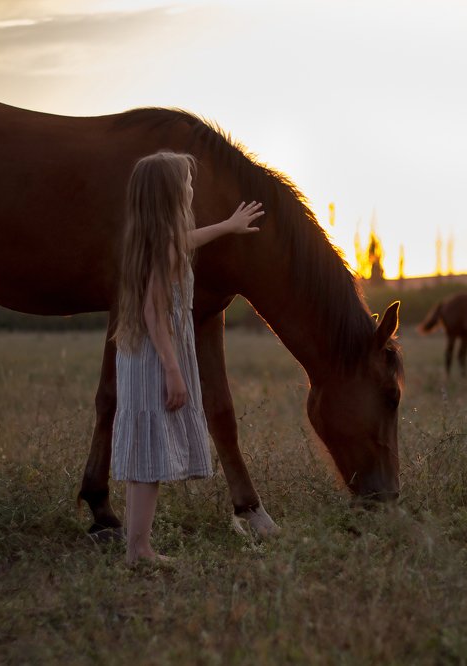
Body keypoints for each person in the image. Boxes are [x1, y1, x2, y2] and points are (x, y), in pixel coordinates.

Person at [111, 151, 263, 565]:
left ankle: (135, 545)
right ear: (173, 194)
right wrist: (174, 370)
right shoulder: (165, 248)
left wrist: (228, 226)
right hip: (156, 358)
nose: (193, 189)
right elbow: (153, 314)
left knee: (146, 454)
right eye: (188, 184)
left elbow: (188, 241)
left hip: (141, 355)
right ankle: (139, 550)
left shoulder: (155, 238)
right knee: (150, 460)